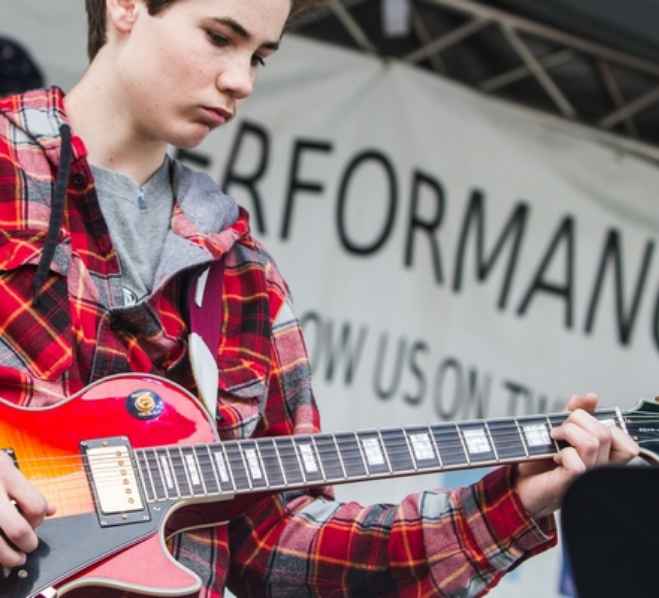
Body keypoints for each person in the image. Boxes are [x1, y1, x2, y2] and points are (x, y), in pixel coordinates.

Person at [0, 1, 639, 596]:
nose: (240, 81)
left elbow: (282, 543)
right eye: (220, 38)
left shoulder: (244, 279)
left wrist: (515, 503)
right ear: (124, 5)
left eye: (258, 57)